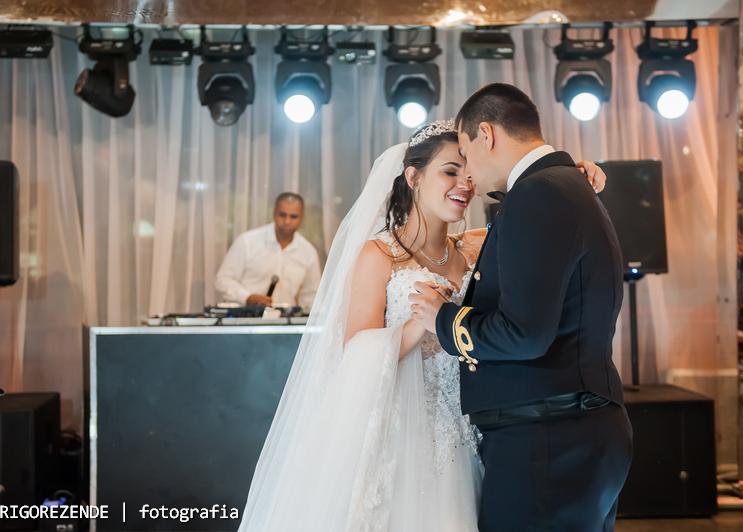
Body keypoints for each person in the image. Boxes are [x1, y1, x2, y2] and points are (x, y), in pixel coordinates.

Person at [238, 118, 607, 531]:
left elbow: (536, 215)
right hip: (404, 433)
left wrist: (570, 179)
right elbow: (353, 351)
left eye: (468, 172)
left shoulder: (476, 245)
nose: (465, 184)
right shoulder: (379, 256)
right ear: (413, 176)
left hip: (472, 432)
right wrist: (419, 327)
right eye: (450, 171)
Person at [411, 84, 633, 531]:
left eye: (466, 156)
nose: (469, 176)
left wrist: (442, 318)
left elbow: (525, 333)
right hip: (569, 431)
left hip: (549, 440)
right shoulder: (564, 185)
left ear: (486, 135)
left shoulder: (539, 194)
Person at [214, 192, 321, 310]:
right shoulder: (247, 241)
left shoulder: (308, 251)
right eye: (282, 215)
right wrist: (247, 297)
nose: (287, 221)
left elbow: (311, 295)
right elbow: (223, 280)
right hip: (244, 318)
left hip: (286, 323)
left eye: (293, 216)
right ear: (274, 214)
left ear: (301, 218)